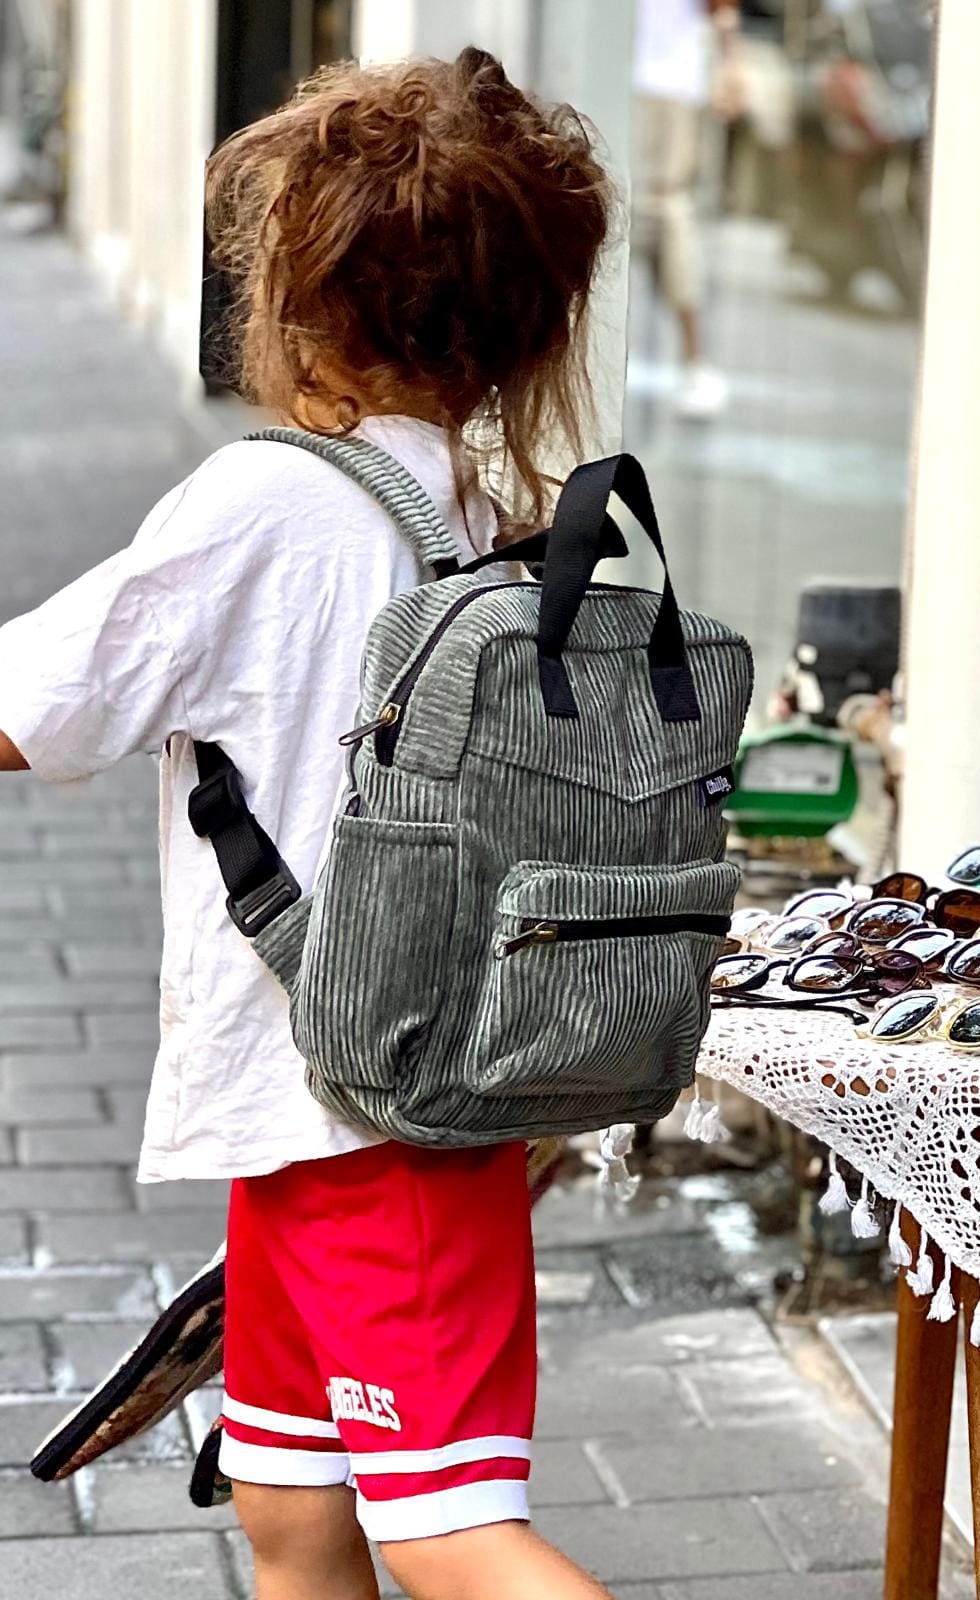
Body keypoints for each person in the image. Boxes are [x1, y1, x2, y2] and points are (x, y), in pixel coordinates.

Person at [0, 50, 618, 1600]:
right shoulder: (487, 523)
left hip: (365, 1135)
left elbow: (37, 705)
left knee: (447, 1530)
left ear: (293, 293)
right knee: (292, 1509)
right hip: (346, 1107)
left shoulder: (261, 509)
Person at [632, 0, 742, 419]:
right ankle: (694, 362)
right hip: (651, 79)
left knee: (664, 210)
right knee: (660, 210)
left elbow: (722, 12)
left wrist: (730, 67)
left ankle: (695, 361)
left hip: (665, 84)